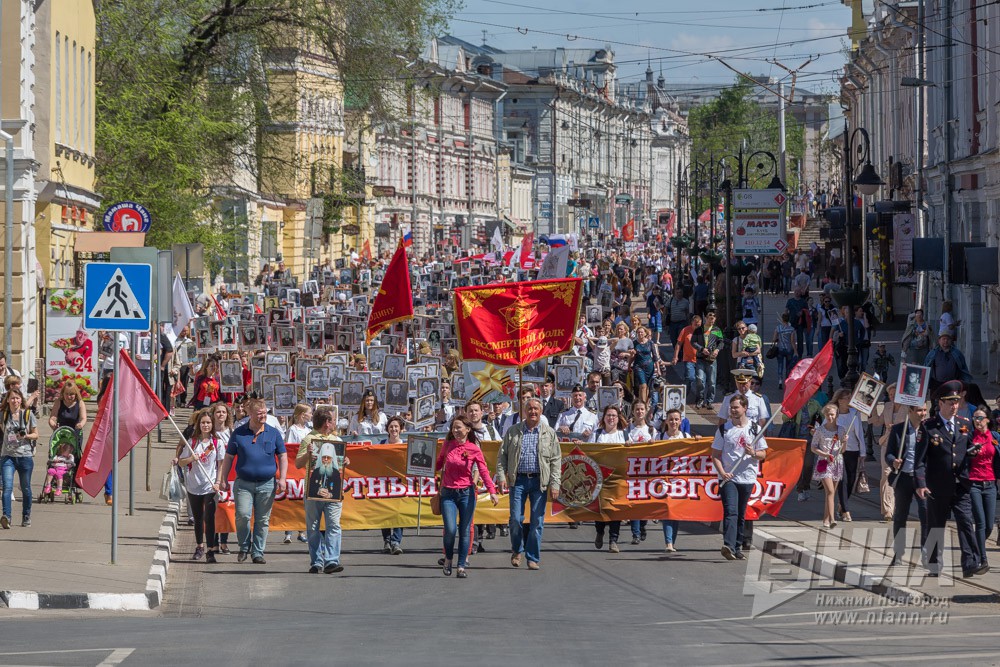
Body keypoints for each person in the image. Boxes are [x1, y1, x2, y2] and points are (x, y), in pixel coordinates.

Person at [915, 381, 983, 577]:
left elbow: (968, 449)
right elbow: (919, 461)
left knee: (965, 522)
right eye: (950, 402)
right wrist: (920, 484)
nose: (954, 406)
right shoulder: (928, 427)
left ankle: (970, 563)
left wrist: (973, 452)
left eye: (956, 402)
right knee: (936, 526)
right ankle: (934, 564)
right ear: (940, 404)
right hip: (937, 486)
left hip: (961, 485)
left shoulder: (964, 424)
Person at [216, 397, 288, 565]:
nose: (262, 416)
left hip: (267, 483)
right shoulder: (239, 433)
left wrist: (282, 478)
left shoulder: (273, 432)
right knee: (242, 515)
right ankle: (244, 546)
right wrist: (223, 479)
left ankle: (258, 552)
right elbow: (228, 457)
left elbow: (283, 456)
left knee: (262, 520)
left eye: (264, 413)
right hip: (244, 483)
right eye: (259, 413)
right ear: (249, 414)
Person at [497, 397, 562, 570]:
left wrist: (555, 484)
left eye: (536, 409)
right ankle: (517, 549)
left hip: (539, 482)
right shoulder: (513, 431)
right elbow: (502, 456)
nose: (533, 411)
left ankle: (532, 557)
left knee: (537, 521)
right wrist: (502, 477)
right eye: (530, 409)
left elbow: (556, 460)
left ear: (541, 411)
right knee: (516, 519)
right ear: (525, 411)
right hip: (518, 480)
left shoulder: (549, 433)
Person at [435, 416, 498, 578]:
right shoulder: (447, 445)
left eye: (459, 428)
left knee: (465, 530)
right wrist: (420, 465)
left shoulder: (474, 448)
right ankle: (448, 558)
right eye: (453, 428)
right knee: (450, 529)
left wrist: (492, 491)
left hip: (467, 493)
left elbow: (483, 470)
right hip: (448, 493)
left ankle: (461, 566)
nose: (455, 431)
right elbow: (437, 464)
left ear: (467, 429)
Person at [712, 395, 767, 561]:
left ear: (745, 408)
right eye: (731, 407)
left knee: (741, 513)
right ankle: (728, 545)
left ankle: (737, 547)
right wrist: (722, 473)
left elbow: (763, 453)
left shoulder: (755, 429)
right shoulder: (724, 429)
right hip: (729, 478)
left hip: (748, 477)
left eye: (736, 407)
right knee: (731, 511)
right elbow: (715, 455)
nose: (733, 410)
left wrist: (753, 453)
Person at [296, 406, 347, 574]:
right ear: (327, 422)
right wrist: (307, 455)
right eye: (332, 420)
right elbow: (298, 464)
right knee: (313, 527)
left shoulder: (337, 440)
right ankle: (317, 561)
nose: (334, 423)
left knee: (334, 525)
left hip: (334, 490)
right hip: (313, 490)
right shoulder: (309, 439)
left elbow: (339, 465)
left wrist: (345, 461)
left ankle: (332, 560)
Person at [176, 409, 225, 563]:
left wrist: (218, 482)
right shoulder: (192, 442)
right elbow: (181, 461)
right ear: (199, 424)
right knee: (198, 518)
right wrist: (191, 458)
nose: (205, 425)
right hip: (194, 485)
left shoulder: (217, 443)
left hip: (210, 485)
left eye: (208, 423)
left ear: (212, 425)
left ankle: (211, 550)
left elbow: (221, 464)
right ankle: (199, 546)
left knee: (209, 517)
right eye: (203, 422)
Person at [885, 402, 930, 566]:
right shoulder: (899, 430)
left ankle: (926, 552)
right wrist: (893, 461)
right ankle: (898, 553)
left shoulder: (928, 430)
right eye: (919, 410)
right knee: (900, 516)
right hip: (904, 477)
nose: (923, 413)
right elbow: (889, 453)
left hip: (922, 480)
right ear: (910, 411)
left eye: (925, 410)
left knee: (926, 514)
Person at [589, 406, 630, 552]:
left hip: (618, 478)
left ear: (618, 418)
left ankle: (613, 540)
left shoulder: (624, 435)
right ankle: (600, 531)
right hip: (599, 477)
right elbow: (588, 452)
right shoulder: (596, 434)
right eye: (608, 415)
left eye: (613, 415)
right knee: (600, 510)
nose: (611, 418)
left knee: (615, 510)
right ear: (603, 418)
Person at [966, 406, 999, 572]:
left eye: (980, 418)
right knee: (980, 522)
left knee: (989, 526)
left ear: (987, 419)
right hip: (974, 484)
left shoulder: (995, 437)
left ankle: (975, 548)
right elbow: (962, 455)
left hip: (991, 484)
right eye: (975, 418)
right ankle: (982, 560)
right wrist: (971, 452)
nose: (977, 421)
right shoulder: (970, 436)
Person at [0, 389, 38, 528]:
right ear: (8, 400)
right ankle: (7, 517)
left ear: (21, 400)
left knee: (26, 488)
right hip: (7, 457)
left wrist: (26, 436)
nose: (15, 401)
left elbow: (36, 434)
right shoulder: (3, 415)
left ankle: (26, 515)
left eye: (17, 398)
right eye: (12, 398)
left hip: (25, 456)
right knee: (7, 488)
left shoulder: (28, 414)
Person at [831, 389, 866, 522]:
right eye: (847, 398)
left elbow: (861, 434)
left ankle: (842, 503)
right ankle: (846, 511)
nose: (850, 400)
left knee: (851, 480)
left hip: (853, 450)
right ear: (840, 400)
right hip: (839, 452)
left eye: (850, 397)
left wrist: (863, 452)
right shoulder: (834, 414)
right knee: (842, 480)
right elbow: (825, 427)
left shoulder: (854, 413)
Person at [811, 403, 845, 529]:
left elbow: (843, 450)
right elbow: (813, 447)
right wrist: (824, 454)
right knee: (830, 491)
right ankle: (832, 519)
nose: (830, 417)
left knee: (831, 493)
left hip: (837, 461)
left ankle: (825, 519)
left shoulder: (841, 430)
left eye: (832, 414)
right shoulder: (820, 430)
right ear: (825, 415)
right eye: (828, 414)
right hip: (824, 462)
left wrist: (845, 441)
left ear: (836, 415)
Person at [282, 404, 313, 545]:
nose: (311, 415)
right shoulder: (292, 430)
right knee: (292, 499)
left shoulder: (308, 430)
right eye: (309, 413)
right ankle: (288, 531)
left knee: (302, 500)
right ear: (302, 414)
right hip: (294, 467)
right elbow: (289, 448)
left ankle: (301, 530)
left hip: (305, 468)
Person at [381, 416, 407, 554]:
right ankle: (387, 540)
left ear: (401, 429)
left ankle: (396, 541)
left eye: (396, 426)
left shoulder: (405, 444)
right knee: (385, 512)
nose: (394, 429)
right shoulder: (381, 444)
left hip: (400, 485)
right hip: (384, 484)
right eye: (391, 426)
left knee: (399, 512)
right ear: (387, 429)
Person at [691, 310, 724, 409]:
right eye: (710, 319)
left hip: (711, 359)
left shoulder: (716, 330)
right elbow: (693, 341)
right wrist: (701, 349)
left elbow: (721, 342)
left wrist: (717, 350)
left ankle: (709, 401)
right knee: (700, 380)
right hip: (701, 358)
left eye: (713, 319)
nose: (711, 321)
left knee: (712, 382)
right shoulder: (699, 329)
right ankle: (700, 399)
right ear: (706, 318)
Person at [671, 313, 700, 404]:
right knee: (690, 378)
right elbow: (679, 344)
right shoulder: (685, 330)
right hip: (688, 359)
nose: (697, 326)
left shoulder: (702, 331)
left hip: (700, 359)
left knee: (700, 380)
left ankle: (699, 399)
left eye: (699, 325)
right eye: (695, 324)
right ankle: (683, 397)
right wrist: (675, 356)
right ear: (692, 323)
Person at [772, 313, 796, 389]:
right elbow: (792, 341)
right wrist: (795, 350)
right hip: (789, 349)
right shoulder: (791, 329)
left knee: (780, 365)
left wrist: (778, 340)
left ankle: (780, 381)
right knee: (788, 366)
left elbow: (774, 339)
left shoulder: (778, 328)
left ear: (782, 319)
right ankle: (787, 380)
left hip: (780, 348)